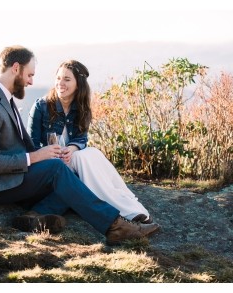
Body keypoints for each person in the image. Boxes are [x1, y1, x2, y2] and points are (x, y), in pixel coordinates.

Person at [0, 45, 160, 245]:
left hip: (10, 174)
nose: (31, 82)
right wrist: (36, 157)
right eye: (29, 75)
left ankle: (34, 216)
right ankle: (115, 227)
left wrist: (43, 157)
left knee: (75, 176)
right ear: (16, 68)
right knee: (58, 170)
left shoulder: (4, 98)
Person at [27, 60, 153, 223]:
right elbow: (32, 145)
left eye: (66, 79)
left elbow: (81, 138)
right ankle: (121, 212)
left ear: (78, 84)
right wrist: (50, 156)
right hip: (49, 166)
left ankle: (128, 206)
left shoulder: (81, 106)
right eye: (58, 78)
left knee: (91, 154)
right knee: (83, 167)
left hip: (70, 160)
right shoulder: (41, 106)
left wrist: (71, 149)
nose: (60, 83)